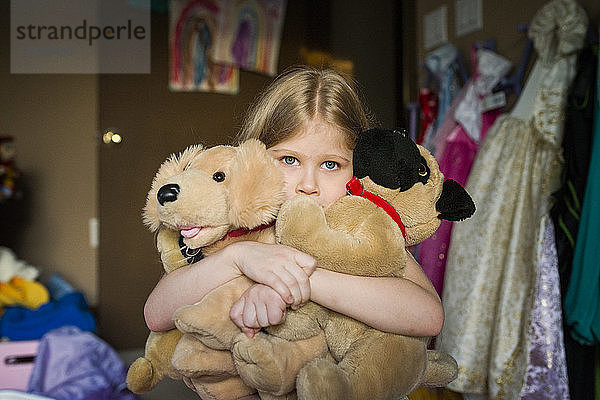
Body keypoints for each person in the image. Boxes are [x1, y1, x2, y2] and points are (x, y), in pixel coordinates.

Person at [143, 66, 443, 392]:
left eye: (331, 165)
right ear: (253, 156)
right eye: (288, 160)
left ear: (357, 167)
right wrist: (240, 258)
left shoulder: (357, 224)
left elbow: (429, 316)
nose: (308, 185)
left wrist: (301, 280)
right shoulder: (237, 225)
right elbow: (157, 314)